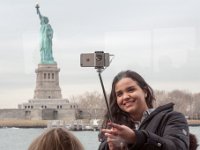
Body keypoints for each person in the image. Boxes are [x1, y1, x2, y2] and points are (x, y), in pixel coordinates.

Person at [98, 70, 190, 150]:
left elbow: (177, 147)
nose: (125, 97)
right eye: (119, 94)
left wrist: (135, 137)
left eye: (131, 90)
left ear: (145, 92)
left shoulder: (171, 118)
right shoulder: (113, 126)